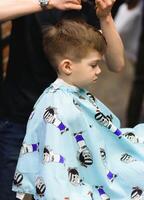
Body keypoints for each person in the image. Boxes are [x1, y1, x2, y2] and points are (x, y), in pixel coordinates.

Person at [0, 0, 125, 200]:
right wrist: (46, 3)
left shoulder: (90, 8)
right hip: (19, 120)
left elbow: (117, 64)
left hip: (69, 126)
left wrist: (105, 17)